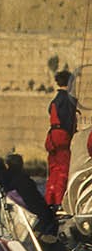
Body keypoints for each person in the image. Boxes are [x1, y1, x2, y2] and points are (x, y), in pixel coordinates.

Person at [0, 153, 60, 240]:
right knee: (50, 216)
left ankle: (38, 234)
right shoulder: (27, 180)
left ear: (7, 165)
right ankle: (43, 235)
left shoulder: (2, 177)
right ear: (21, 165)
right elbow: (37, 198)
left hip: (19, 212)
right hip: (34, 211)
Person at [46, 69, 77, 207]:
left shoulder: (55, 100)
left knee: (54, 170)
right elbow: (69, 122)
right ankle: (59, 203)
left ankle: (49, 201)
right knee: (63, 170)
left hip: (52, 136)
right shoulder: (68, 101)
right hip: (63, 137)